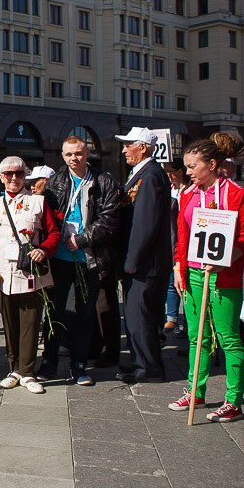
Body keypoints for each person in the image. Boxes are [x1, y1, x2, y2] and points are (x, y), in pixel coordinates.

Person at [168, 138, 244, 422]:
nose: (188, 171)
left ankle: (233, 400)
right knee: (197, 337)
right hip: (193, 271)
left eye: (193, 166)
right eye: (187, 166)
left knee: (228, 337)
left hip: (224, 275)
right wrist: (179, 267)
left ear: (212, 165)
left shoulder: (236, 194)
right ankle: (196, 390)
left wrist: (227, 259)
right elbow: (183, 234)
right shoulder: (188, 195)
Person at [37, 137, 121, 386]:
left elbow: (109, 220)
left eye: (78, 153)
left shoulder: (103, 181)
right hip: (60, 259)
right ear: (62, 156)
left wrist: (82, 239)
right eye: (69, 154)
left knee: (85, 314)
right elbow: (45, 217)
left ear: (87, 154)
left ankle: (79, 364)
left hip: (88, 259)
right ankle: (49, 361)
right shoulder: (55, 182)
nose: (74, 158)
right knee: (54, 312)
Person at [0, 157, 61, 394]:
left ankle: (27, 372)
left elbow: (54, 233)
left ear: (25, 176)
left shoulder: (38, 202)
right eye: (8, 174)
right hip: (3, 274)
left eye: (19, 174)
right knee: (9, 323)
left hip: (30, 272)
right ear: (1, 177)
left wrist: (44, 249)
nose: (14, 178)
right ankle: (13, 368)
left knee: (30, 323)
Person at [116, 127, 172, 384]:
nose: (124, 150)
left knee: (141, 315)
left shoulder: (149, 176)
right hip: (142, 261)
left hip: (145, 263)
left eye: (129, 145)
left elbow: (144, 223)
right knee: (135, 314)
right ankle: (140, 361)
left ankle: (148, 368)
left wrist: (132, 260)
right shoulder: (142, 173)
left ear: (143, 147)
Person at [163, 159, 189, 333]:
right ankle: (171, 317)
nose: (168, 175)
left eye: (171, 171)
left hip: (186, 239)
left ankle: (187, 322)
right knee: (172, 282)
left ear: (180, 172)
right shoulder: (169, 190)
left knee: (185, 284)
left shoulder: (190, 190)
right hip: (172, 238)